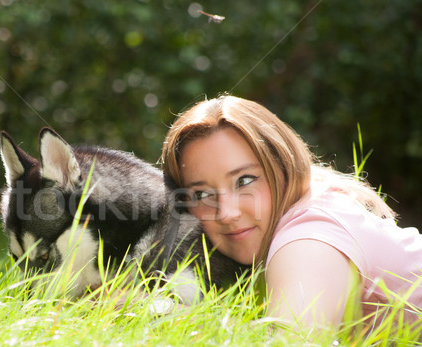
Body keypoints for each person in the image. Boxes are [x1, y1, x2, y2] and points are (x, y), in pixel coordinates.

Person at [161, 94, 422, 330]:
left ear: (284, 167)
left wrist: (154, 310)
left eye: (244, 180)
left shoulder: (309, 235)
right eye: (202, 195)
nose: (226, 213)